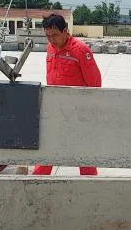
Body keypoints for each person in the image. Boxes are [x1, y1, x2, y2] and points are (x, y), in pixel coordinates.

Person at [33, 13, 102, 176]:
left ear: (65, 30)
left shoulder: (81, 50)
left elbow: (95, 83)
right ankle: (38, 180)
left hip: (79, 111)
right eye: (48, 36)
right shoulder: (50, 48)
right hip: (56, 109)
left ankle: (89, 183)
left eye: (55, 35)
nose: (51, 40)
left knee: (83, 151)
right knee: (48, 146)